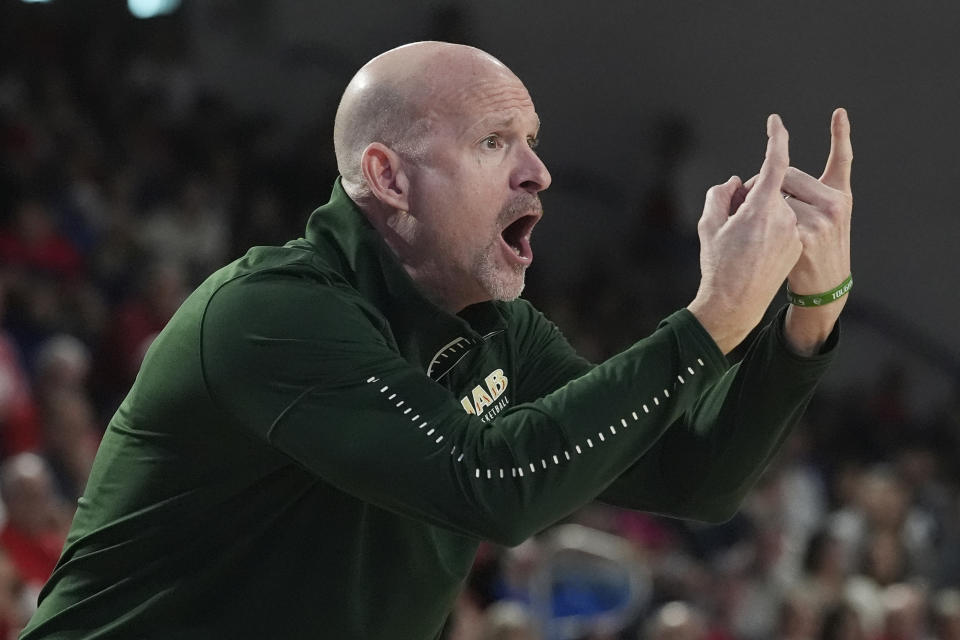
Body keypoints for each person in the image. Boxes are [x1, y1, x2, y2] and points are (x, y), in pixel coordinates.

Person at [20, 41, 853, 639]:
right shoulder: (272, 313)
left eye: (532, 141)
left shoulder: (496, 330)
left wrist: (811, 305)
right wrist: (710, 322)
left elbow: (694, 477)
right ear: (386, 177)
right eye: (496, 143)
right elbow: (490, 483)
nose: (538, 172)